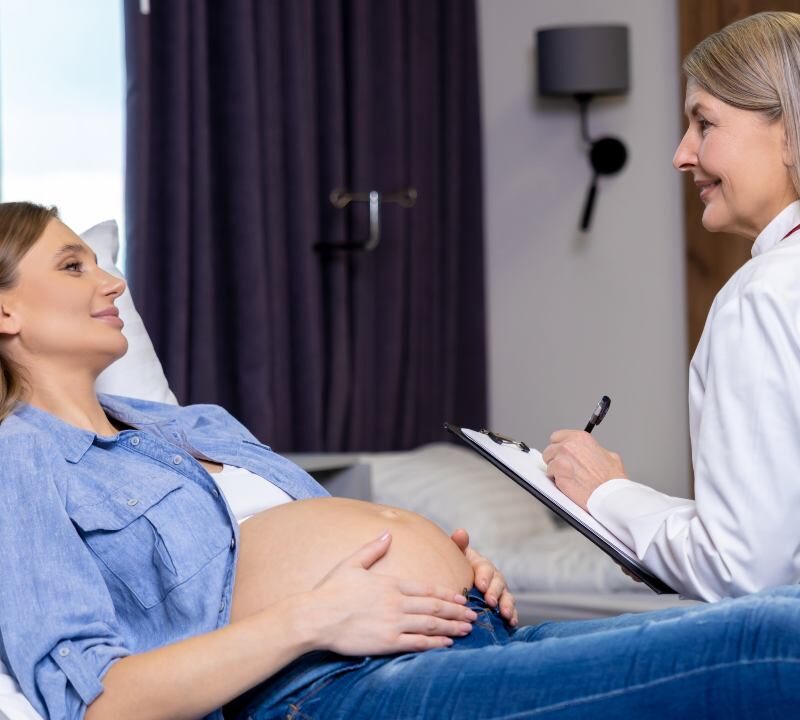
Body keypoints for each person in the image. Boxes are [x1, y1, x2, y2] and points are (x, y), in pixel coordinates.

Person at [2, 15, 800, 719]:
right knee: (768, 645)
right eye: (74, 267)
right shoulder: (21, 459)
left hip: (446, 642)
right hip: (327, 687)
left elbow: (328, 552)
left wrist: (451, 565)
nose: (113, 279)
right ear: (6, 313)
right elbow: (97, 703)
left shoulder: (194, 426)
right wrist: (314, 619)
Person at [543, 10, 800, 603]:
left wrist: (606, 494)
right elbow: (774, 537)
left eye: (704, 123)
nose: (681, 155)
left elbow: (743, 572)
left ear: (788, 131)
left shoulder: (762, 295)